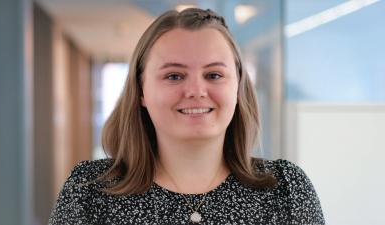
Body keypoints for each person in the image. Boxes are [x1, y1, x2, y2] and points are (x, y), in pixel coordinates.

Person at [49, 8, 325, 225]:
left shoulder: (286, 189)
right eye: (174, 76)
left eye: (214, 75)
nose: (196, 91)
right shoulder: (89, 191)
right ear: (141, 91)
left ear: (238, 88)